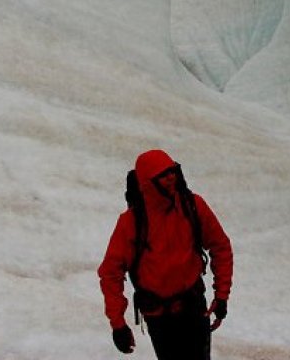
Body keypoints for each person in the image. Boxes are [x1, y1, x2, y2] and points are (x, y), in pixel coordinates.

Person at [99, 149, 233, 358]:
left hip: (193, 307)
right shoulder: (132, 222)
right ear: (146, 182)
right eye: (163, 174)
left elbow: (220, 246)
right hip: (159, 317)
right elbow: (110, 273)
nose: (171, 177)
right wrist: (118, 324)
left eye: (172, 170)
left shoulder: (193, 206)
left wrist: (222, 295)